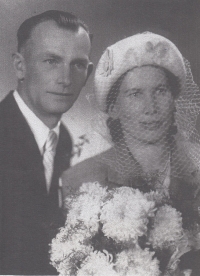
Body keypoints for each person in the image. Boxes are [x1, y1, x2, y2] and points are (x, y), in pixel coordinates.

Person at [62, 32, 200, 275]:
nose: (151, 108)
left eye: (160, 91)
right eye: (135, 94)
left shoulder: (195, 168)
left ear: (174, 99)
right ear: (114, 108)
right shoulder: (80, 180)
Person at [0, 10, 93, 275]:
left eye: (76, 64)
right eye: (51, 61)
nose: (65, 79)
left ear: (88, 72)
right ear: (20, 66)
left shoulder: (63, 140)